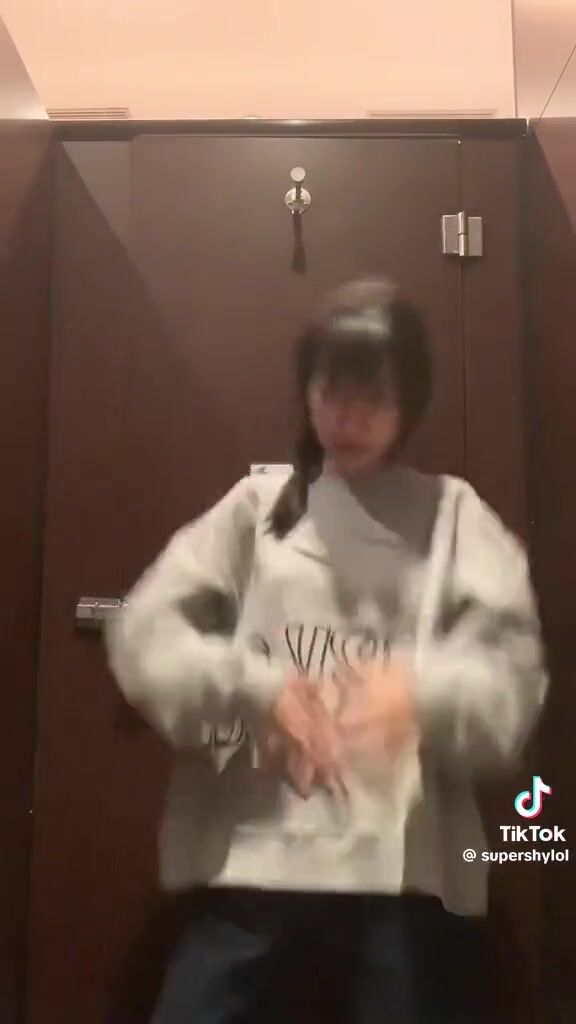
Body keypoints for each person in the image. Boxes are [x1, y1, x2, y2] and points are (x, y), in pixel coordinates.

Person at [106, 278, 547, 1024]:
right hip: (254, 866)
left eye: (373, 395)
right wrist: (255, 690)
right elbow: (143, 633)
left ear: (409, 401)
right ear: (306, 391)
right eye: (332, 391)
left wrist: (417, 694)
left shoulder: (453, 516)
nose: (348, 415)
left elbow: (513, 678)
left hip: (398, 882)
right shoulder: (257, 510)